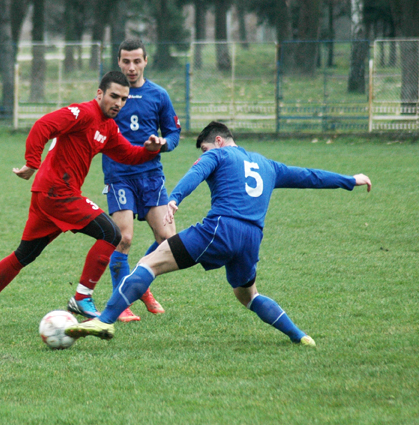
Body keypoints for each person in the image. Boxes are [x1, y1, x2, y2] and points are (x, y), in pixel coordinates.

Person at [67, 121, 372, 346]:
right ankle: (300, 336)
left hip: (221, 228)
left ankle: (104, 321)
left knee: (150, 263)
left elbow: (196, 172)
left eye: (204, 148)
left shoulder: (219, 154)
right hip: (252, 238)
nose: (203, 154)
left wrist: (174, 199)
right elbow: (309, 177)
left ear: (218, 140)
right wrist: (350, 179)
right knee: (247, 295)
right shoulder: (268, 165)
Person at [0, 71, 166, 328]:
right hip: (58, 193)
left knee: (24, 254)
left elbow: (126, 154)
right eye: (114, 96)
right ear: (99, 93)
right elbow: (43, 125)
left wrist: (149, 151)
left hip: (48, 195)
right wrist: (32, 162)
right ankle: (82, 297)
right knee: (112, 233)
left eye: (124, 99)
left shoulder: (108, 127)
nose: (119, 103)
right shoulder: (83, 113)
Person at [103, 38, 182, 322]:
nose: (131, 67)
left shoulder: (159, 95)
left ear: (146, 61)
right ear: (119, 62)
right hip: (119, 174)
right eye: (126, 61)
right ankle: (121, 302)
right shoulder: (111, 95)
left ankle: (138, 281)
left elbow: (174, 134)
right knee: (123, 238)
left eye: (137, 61)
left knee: (167, 239)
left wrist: (162, 143)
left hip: (150, 176)